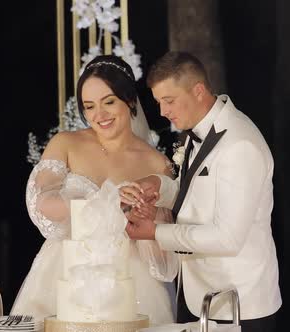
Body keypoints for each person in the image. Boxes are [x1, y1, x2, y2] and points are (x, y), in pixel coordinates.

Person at [120, 51, 281, 332]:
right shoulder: (201, 131)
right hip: (200, 297)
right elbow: (198, 194)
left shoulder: (240, 145)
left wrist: (155, 233)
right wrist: (160, 186)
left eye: (168, 101)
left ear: (198, 91)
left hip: (238, 304)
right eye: (159, 102)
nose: (162, 112)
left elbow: (227, 237)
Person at [10, 55, 177, 326]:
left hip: (132, 282)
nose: (99, 115)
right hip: (64, 272)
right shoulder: (66, 143)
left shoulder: (155, 163)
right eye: (89, 107)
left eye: (109, 102)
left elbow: (161, 252)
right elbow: (41, 202)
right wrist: (104, 203)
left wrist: (144, 217)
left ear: (130, 100)